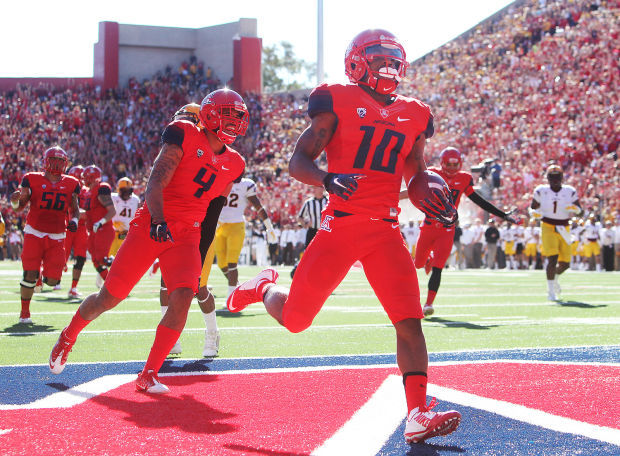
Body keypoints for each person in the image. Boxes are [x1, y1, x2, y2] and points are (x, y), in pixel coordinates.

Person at [226, 29, 460, 444]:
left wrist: (430, 196)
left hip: (386, 230)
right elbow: (299, 161)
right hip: (341, 225)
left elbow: (416, 172)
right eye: (378, 58)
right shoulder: (336, 99)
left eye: (392, 59)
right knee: (296, 321)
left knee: (409, 322)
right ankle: (263, 288)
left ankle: (418, 413)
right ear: (356, 62)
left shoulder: (416, 113)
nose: (387, 66)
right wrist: (327, 179)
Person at [49, 88, 248, 394]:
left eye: (238, 117)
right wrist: (157, 220)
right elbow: (156, 181)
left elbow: (213, 211)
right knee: (109, 298)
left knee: (183, 296)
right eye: (228, 115)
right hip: (152, 225)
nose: (234, 123)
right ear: (208, 114)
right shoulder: (183, 133)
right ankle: (68, 335)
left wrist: (199, 248)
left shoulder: (235, 163)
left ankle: (149, 373)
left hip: (188, 233)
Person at [414, 147, 517, 316]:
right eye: (449, 164)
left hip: (447, 229)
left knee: (439, 268)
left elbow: (478, 200)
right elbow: (416, 190)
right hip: (429, 225)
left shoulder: (464, 178)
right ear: (442, 163)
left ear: (460, 163)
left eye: (456, 164)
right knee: (417, 264)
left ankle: (428, 304)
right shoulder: (431, 173)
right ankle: (428, 259)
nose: (453, 167)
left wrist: (502, 215)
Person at [10, 146, 80, 323]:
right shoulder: (31, 179)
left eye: (60, 161)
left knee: (53, 281)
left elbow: (75, 209)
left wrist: (74, 221)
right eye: (53, 160)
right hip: (34, 232)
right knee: (29, 274)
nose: (56, 164)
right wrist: (14, 202)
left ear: (65, 164)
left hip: (57, 235)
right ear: (46, 161)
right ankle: (24, 313)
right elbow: (20, 206)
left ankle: (40, 275)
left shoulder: (71, 183)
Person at [214, 174, 276, 297]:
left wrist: (269, 226)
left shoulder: (246, 185)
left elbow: (258, 207)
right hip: (220, 226)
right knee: (221, 264)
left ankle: (231, 296)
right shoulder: (222, 181)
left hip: (236, 226)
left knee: (232, 263)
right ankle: (239, 288)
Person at [530, 164, 582, 301]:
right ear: (547, 178)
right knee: (552, 258)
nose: (555, 180)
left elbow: (580, 210)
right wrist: (534, 213)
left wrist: (575, 209)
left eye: (557, 177)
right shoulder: (541, 190)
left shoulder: (569, 191)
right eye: (552, 177)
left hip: (564, 227)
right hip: (547, 225)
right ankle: (550, 290)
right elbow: (532, 208)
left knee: (565, 263)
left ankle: (555, 277)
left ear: (562, 177)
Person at [82, 165, 116, 288]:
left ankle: (117, 261)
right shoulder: (89, 192)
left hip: (103, 229)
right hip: (94, 231)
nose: (84, 180)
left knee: (101, 259)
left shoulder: (101, 189)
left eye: (86, 177)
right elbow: (88, 213)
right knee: (96, 261)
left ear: (92, 177)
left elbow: (112, 211)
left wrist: (100, 222)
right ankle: (110, 285)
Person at [63, 165, 90, 299]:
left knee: (80, 258)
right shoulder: (66, 188)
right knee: (60, 256)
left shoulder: (87, 192)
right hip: (67, 226)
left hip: (81, 227)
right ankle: (44, 277)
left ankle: (73, 287)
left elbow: (88, 212)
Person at [290, 186, 328, 277]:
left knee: (325, 254)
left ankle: (322, 274)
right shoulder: (308, 203)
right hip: (312, 231)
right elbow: (300, 217)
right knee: (308, 254)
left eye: (319, 187)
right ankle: (298, 271)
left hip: (325, 232)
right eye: (316, 188)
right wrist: (305, 224)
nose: (318, 189)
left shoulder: (328, 201)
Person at [109, 177, 141, 257]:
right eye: (124, 190)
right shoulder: (112, 197)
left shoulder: (135, 200)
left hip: (128, 236)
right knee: (109, 260)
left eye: (128, 191)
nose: (126, 193)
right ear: (118, 190)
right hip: (113, 235)